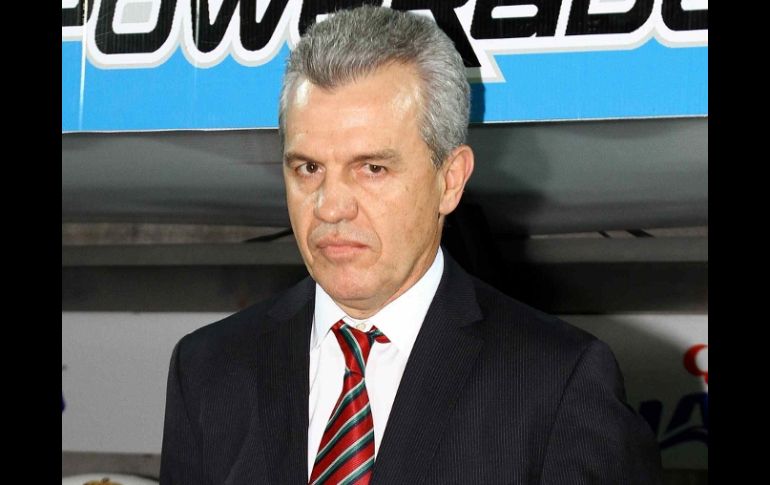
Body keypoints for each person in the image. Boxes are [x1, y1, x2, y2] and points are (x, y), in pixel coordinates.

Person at [160, 6, 663, 485]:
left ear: (450, 180)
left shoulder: (559, 382)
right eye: (308, 168)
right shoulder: (208, 368)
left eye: (372, 168)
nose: (331, 207)